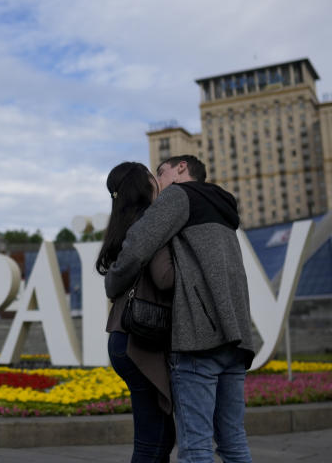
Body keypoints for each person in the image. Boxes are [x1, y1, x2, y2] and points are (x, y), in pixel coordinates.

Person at [105, 154, 255, 463]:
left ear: (181, 169)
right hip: (236, 337)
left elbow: (137, 246)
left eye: (161, 173)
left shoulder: (177, 195)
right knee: (234, 444)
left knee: (196, 447)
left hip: (198, 338)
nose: (158, 182)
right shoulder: (223, 206)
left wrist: (112, 283)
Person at [98, 161, 175, 462]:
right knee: (153, 442)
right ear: (145, 187)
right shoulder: (150, 225)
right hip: (140, 340)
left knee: (154, 437)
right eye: (153, 179)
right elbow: (164, 277)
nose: (159, 183)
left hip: (122, 336)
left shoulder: (123, 226)